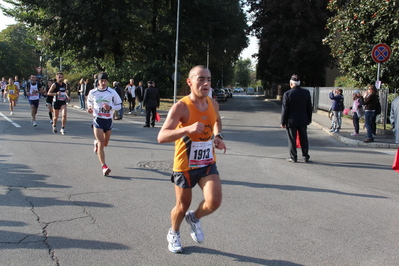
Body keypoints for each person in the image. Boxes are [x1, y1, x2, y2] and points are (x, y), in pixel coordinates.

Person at [157, 65, 226, 253]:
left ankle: (194, 218)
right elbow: (162, 136)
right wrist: (186, 129)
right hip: (185, 165)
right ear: (190, 82)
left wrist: (218, 137)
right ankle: (174, 232)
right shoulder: (181, 107)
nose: (206, 83)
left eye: (209, 80)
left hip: (207, 162)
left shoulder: (213, 103)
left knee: (214, 201)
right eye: (201, 79)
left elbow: (217, 120)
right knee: (182, 205)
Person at [87, 73, 122, 176]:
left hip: (108, 120)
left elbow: (119, 105)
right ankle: (104, 166)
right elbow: (89, 101)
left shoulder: (112, 92)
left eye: (105, 81)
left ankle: (96, 144)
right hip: (98, 119)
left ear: (107, 81)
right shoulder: (93, 92)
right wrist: (89, 107)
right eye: (101, 81)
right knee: (101, 143)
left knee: (105, 144)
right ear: (98, 81)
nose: (103, 83)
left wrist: (110, 108)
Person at [280, 74, 312, 163]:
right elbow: (309, 107)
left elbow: (285, 109)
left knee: (292, 139)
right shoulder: (306, 93)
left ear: (291, 83)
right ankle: (306, 156)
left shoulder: (287, 94)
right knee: (304, 138)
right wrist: (309, 119)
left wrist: (283, 121)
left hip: (291, 120)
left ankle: (293, 157)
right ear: (299, 83)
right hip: (303, 119)